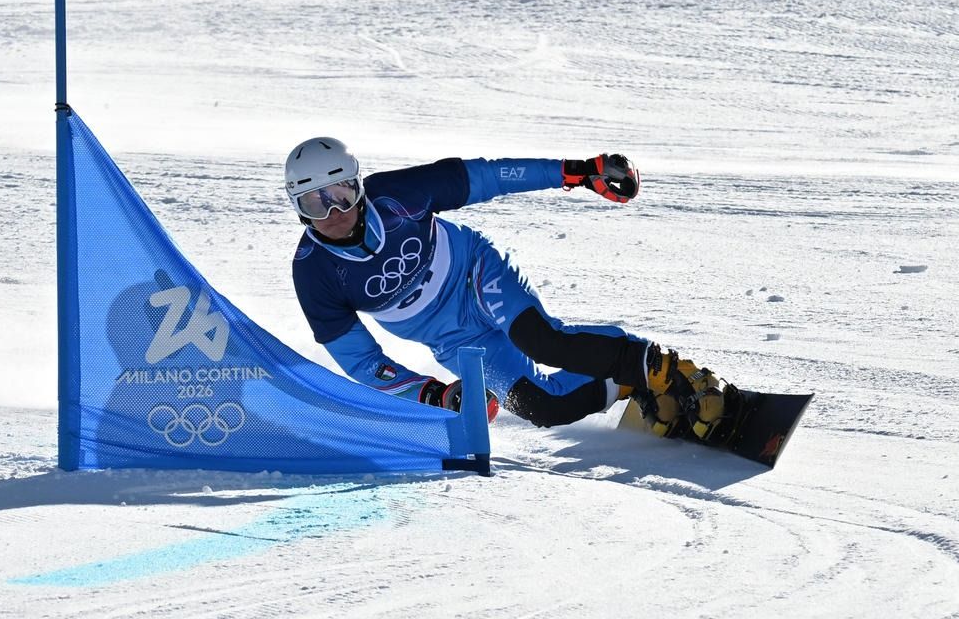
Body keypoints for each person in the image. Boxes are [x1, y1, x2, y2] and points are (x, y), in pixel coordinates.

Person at [285, 138, 725, 440]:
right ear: (298, 209)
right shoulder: (314, 273)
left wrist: (577, 173)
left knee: (543, 341)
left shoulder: (398, 194)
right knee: (545, 407)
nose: (334, 212)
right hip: (453, 339)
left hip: (476, 275)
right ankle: (629, 382)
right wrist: (433, 394)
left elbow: (491, 177)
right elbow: (363, 363)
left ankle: (670, 370)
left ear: (359, 185)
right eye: (315, 203)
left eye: (341, 193)